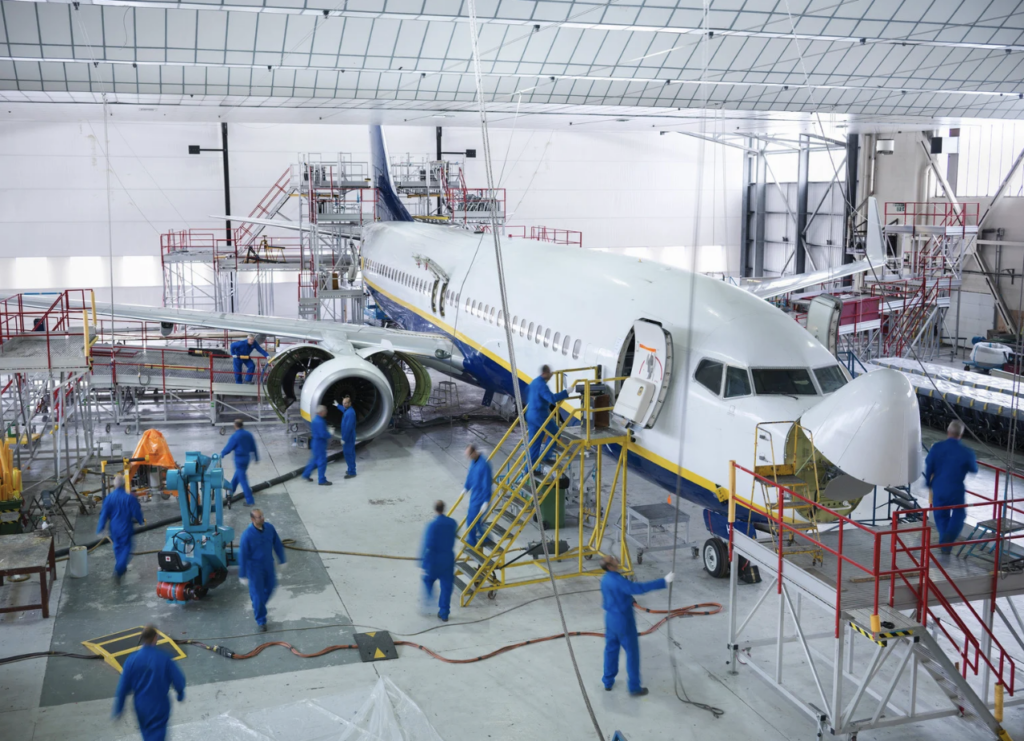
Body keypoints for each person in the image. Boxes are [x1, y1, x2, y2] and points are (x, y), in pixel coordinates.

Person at [600, 555, 673, 696]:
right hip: (623, 620)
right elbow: (638, 588)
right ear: (609, 566)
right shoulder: (618, 581)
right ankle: (634, 687)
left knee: (610, 650)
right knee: (632, 653)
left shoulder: (605, 579)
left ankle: (607, 682)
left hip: (610, 619)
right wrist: (663, 581)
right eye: (612, 559)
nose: (616, 559)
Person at [112, 624, 185, 741]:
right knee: (159, 733)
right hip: (160, 704)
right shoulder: (164, 658)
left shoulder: (131, 660)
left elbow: (123, 687)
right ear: (155, 638)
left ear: (141, 639)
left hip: (141, 706)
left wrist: (119, 708)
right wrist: (180, 693)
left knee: (147, 733)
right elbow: (179, 680)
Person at [925, 419, 979, 555]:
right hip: (956, 489)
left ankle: (945, 543)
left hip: (939, 488)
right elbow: (974, 469)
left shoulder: (937, 447)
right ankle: (949, 537)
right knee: (959, 514)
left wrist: (928, 483)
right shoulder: (967, 452)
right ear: (961, 434)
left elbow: (929, 466)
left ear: (948, 431)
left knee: (941, 515)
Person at [238, 508, 286, 632]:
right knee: (258, 596)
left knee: (271, 587)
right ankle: (261, 621)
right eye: (259, 517)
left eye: (262, 516)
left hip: (268, 565)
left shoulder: (269, 528)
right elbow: (242, 555)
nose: (262, 518)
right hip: (254, 570)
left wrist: (282, 559)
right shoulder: (247, 535)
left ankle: (257, 605)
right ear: (252, 519)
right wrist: (242, 574)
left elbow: (277, 543)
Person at [97, 474, 144, 583]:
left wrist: (100, 527)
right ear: (124, 484)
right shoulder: (129, 498)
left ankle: (121, 567)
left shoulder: (109, 498)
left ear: (114, 485)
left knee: (117, 547)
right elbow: (136, 511)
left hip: (114, 528)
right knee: (126, 548)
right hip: (126, 527)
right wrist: (140, 520)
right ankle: (119, 569)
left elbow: (104, 514)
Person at [525, 365, 569, 467]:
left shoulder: (535, 382)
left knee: (535, 442)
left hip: (530, 414)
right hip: (540, 415)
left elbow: (527, 391)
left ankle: (530, 470)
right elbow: (552, 398)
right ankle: (545, 457)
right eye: (549, 373)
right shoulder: (542, 385)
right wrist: (566, 392)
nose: (551, 375)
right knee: (555, 432)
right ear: (544, 373)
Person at [421, 500, 457, 622]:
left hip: (434, 560)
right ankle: (444, 613)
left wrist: (423, 563)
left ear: (435, 509)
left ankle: (429, 603)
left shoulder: (432, 525)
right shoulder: (452, 523)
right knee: (446, 587)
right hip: (448, 560)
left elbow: (428, 544)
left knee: (428, 580)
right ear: (444, 509)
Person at [221, 419, 259, 506]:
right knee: (237, 477)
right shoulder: (248, 434)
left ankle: (250, 501)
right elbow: (254, 447)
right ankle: (230, 494)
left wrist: (222, 454)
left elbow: (229, 447)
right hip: (247, 459)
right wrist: (256, 457)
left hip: (239, 460)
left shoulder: (235, 436)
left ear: (235, 425)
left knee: (243, 481)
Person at [463, 445, 492, 547]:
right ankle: (478, 539)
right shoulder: (473, 462)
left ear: (474, 452)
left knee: (474, 520)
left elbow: (487, 483)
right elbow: (470, 476)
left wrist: (486, 500)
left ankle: (479, 540)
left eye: (469, 455)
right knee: (473, 520)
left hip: (481, 498)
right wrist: (466, 487)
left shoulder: (484, 465)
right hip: (474, 496)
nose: (468, 458)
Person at [302, 405, 332, 486]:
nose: (326, 412)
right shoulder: (320, 421)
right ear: (321, 412)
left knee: (314, 461)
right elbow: (323, 434)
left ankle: (306, 474)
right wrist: (330, 433)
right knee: (322, 462)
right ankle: (322, 480)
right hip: (320, 444)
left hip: (315, 443)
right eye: (325, 411)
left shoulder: (315, 419)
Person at [339, 396, 357, 479]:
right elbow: (343, 410)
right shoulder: (349, 410)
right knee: (351, 453)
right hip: (350, 436)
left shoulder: (350, 413)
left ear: (350, 403)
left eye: (346, 403)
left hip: (348, 437)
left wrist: (344, 439)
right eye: (343, 403)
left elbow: (348, 427)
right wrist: (337, 406)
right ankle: (351, 469)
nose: (344, 405)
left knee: (348, 454)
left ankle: (352, 472)